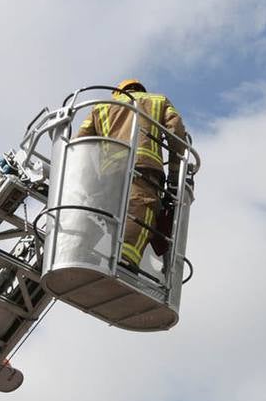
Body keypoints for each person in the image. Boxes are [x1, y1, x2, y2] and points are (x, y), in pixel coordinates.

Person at [75, 79, 189, 271]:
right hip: (143, 167)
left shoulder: (101, 107)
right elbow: (176, 133)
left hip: (109, 172)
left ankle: (79, 250)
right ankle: (126, 260)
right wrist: (175, 173)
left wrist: (86, 180)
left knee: (100, 214)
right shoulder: (158, 100)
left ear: (118, 92)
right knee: (141, 209)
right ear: (140, 89)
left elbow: (81, 143)